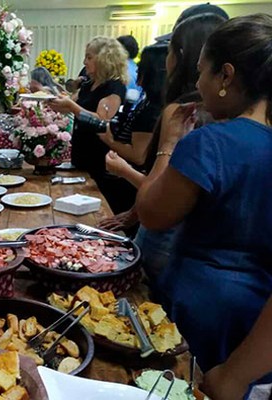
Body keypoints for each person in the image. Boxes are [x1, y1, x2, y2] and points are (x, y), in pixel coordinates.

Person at [136, 16, 272, 398]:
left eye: (201, 73)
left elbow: (152, 213)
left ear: (226, 75)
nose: (196, 84)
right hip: (256, 326)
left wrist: (169, 144)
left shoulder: (210, 142)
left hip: (199, 311)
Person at [103, 13, 226, 283]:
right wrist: (132, 214)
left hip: (164, 238)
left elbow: (158, 191)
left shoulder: (180, 111)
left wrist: (125, 171)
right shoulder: (226, 116)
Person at [48, 36, 133, 214]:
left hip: (99, 158)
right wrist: (49, 97)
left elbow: (102, 120)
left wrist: (71, 106)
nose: (84, 62)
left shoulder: (114, 87)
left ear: (104, 59)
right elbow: (68, 106)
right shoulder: (89, 84)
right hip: (80, 153)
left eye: (89, 57)